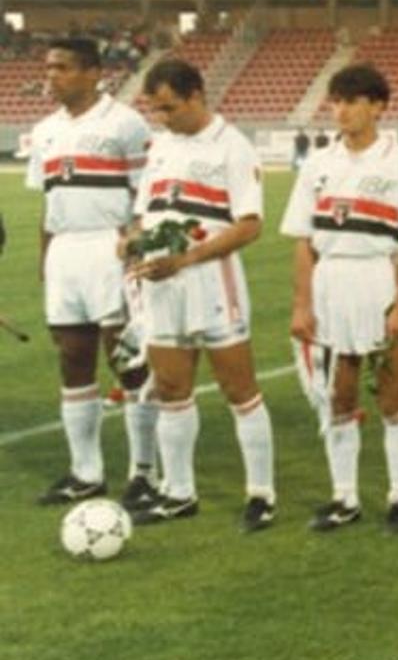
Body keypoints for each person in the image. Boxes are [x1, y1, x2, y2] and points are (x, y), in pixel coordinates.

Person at [126, 58, 278, 529]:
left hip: (212, 281)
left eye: (169, 108)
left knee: (239, 389)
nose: (163, 118)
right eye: (156, 110)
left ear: (196, 96)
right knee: (171, 389)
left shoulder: (231, 146)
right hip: (162, 283)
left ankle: (261, 494)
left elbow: (250, 225)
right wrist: (133, 244)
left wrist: (188, 259)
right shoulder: (161, 147)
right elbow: (144, 213)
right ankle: (179, 491)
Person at [282, 64, 398, 534]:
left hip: (376, 280)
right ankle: (344, 497)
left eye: (351, 101)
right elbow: (303, 239)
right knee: (339, 395)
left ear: (377, 106)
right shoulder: (318, 163)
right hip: (331, 283)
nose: (341, 111)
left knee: (391, 393)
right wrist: (302, 304)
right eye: (336, 101)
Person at [26, 37, 159, 509]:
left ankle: (144, 471)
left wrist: (136, 243)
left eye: (61, 67)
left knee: (127, 358)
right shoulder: (44, 130)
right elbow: (49, 202)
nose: (52, 76)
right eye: (49, 67)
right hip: (66, 251)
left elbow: (147, 195)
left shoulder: (125, 123)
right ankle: (86, 472)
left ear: (91, 72)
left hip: (111, 247)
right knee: (72, 356)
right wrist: (46, 260)